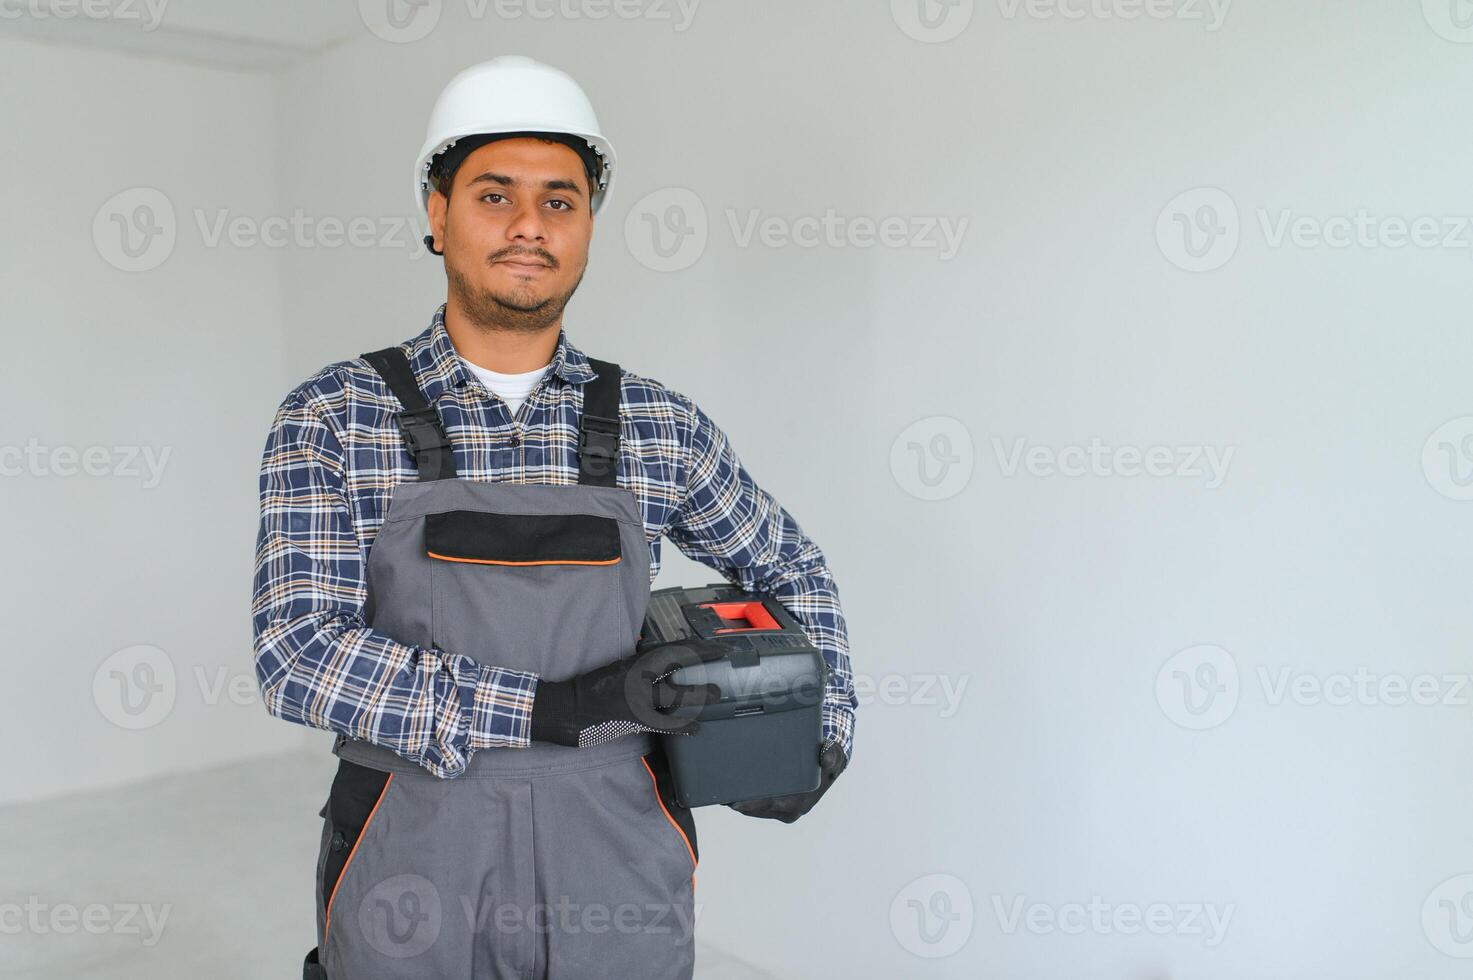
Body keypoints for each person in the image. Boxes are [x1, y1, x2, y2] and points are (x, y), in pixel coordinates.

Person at [250, 55, 856, 980]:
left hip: (614, 836)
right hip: (412, 831)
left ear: (586, 228)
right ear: (436, 212)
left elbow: (792, 571)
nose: (530, 225)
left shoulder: (656, 424)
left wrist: (818, 727)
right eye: (494, 195)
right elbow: (296, 653)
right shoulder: (335, 414)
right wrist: (546, 708)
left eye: (560, 201)